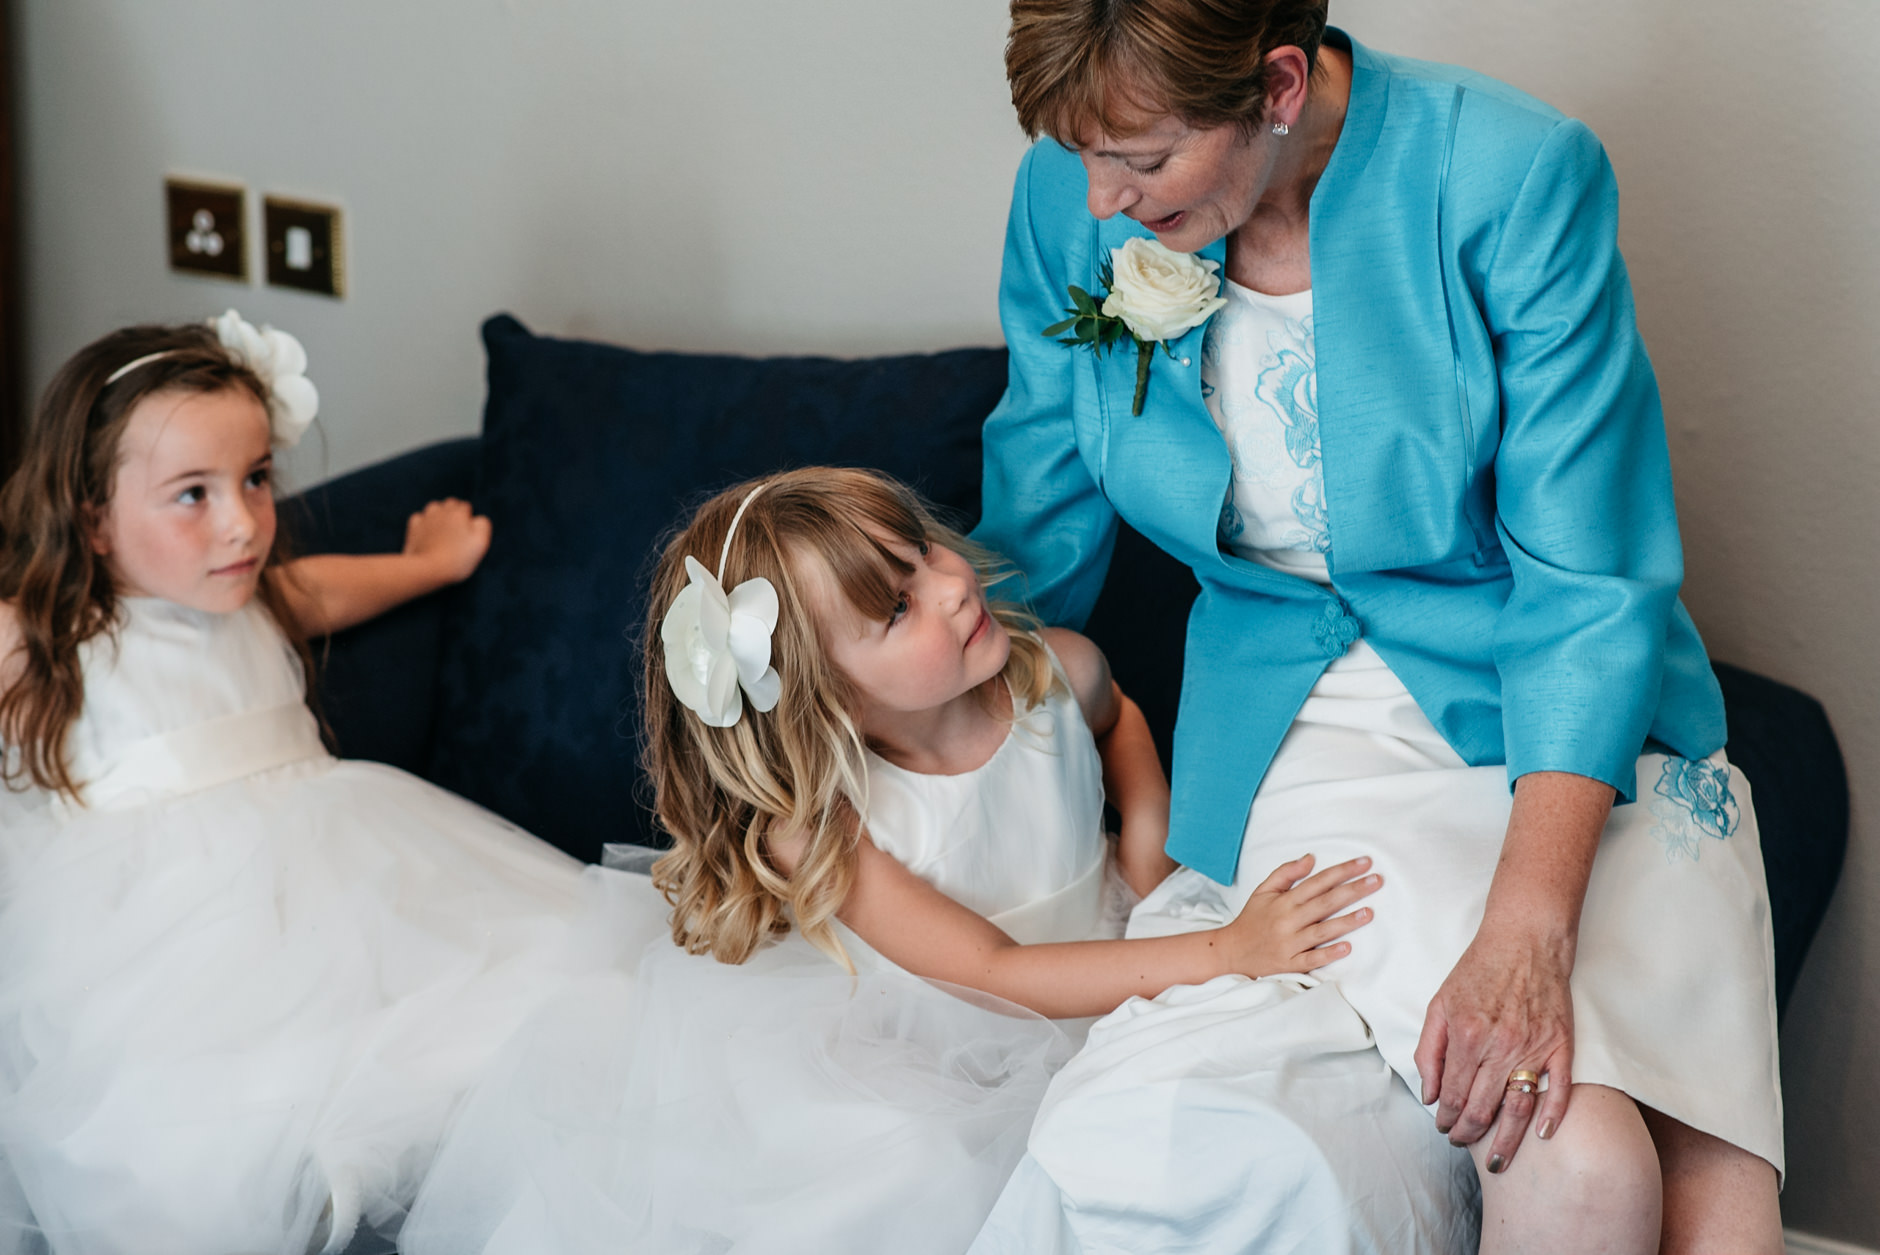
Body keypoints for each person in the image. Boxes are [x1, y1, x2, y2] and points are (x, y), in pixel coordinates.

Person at [968, 3, 1783, 1253]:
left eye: (1140, 161)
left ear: (1279, 83)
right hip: (1310, 727)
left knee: (1718, 1201)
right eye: (1082, 157)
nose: (1097, 203)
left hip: (1573, 723)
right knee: (1572, 1154)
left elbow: (1588, 579)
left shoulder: (1508, 175)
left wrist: (1526, 925)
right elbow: (1039, 502)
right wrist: (910, 705)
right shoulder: (1064, 198)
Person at [399, 466, 1392, 1253]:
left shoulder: (1052, 668)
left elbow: (1120, 722)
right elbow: (993, 973)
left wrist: (1143, 846)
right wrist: (1223, 949)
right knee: (916, 1175)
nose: (954, 586)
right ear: (822, 695)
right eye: (895, 610)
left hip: (1101, 946)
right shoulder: (824, 830)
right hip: (936, 1038)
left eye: (919, 553)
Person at [0, 314, 663, 1255]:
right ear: (93, 516)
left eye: (257, 478)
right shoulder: (49, 637)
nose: (242, 522)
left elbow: (328, 589)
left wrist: (430, 563)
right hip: (168, 942)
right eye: (193, 493)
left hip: (352, 872)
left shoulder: (260, 598)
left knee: (558, 989)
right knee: (207, 1138)